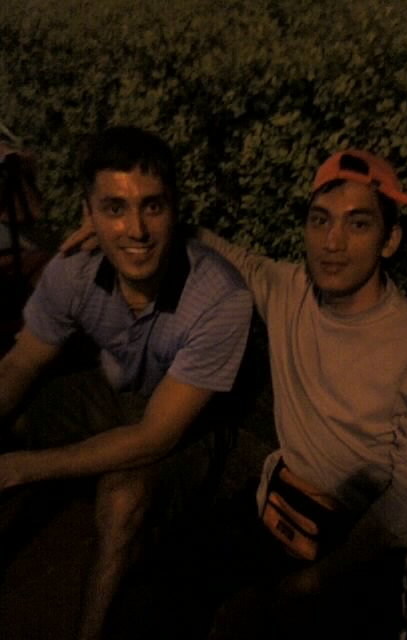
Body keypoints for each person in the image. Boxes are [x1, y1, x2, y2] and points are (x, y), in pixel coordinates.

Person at [62, 149, 407, 639]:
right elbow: (218, 250)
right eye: (320, 220)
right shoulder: (288, 289)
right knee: (154, 600)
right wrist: (130, 230)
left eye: (359, 224)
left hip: (359, 536)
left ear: (390, 240)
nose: (333, 242)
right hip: (275, 503)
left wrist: (307, 586)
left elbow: (403, 505)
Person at [0, 126, 252, 640]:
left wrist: (22, 468)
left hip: (185, 424)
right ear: (88, 213)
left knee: (121, 501)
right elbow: (20, 365)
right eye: (114, 208)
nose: (135, 230)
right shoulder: (73, 270)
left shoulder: (220, 297)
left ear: (175, 210)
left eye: (152, 207)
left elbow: (156, 435)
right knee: (16, 416)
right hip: (114, 391)